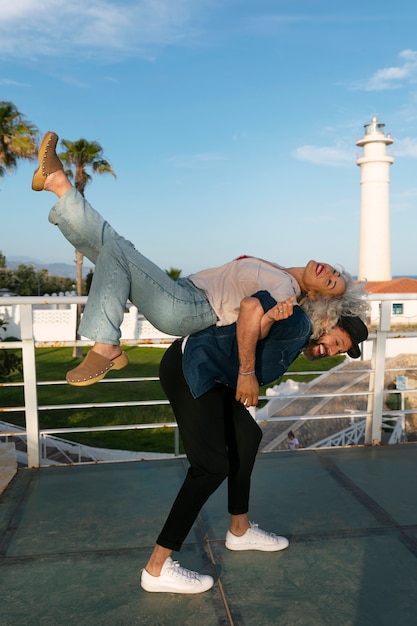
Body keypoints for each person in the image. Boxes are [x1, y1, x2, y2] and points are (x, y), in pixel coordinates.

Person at [31, 132, 366, 389]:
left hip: (189, 308)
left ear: (321, 296)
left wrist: (248, 371)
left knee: (116, 251)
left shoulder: (285, 291)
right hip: (183, 292)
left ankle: (106, 347)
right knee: (115, 247)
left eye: (332, 282)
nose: (330, 272)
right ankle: (58, 183)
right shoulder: (280, 271)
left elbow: (256, 322)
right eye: (335, 271)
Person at [140, 290, 368, 593]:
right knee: (210, 467)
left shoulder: (302, 335)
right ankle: (156, 568)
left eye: (338, 352)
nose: (329, 352)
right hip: (191, 368)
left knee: (247, 437)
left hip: (217, 377)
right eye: (337, 343)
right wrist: (247, 371)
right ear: (328, 323)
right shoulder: (297, 323)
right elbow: (252, 305)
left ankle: (240, 529)